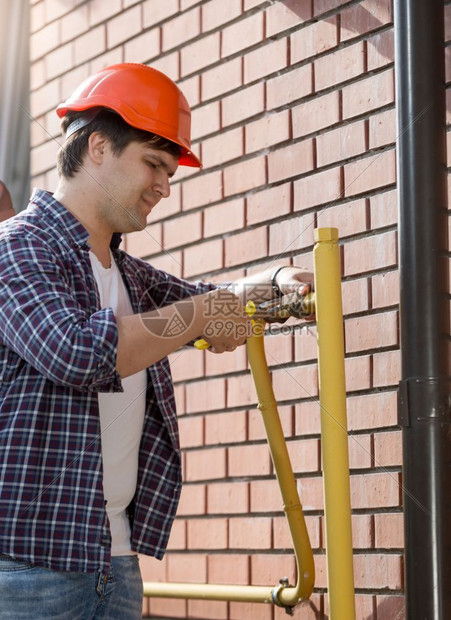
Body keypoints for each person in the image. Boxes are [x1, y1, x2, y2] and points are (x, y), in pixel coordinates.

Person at [0, 63, 313, 619]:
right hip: (26, 570)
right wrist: (200, 315)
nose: (165, 188)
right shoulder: (15, 247)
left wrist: (278, 285)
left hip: (115, 564)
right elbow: (73, 351)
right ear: (97, 146)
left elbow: (217, 298)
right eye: (154, 165)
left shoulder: (132, 278)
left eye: (170, 171)